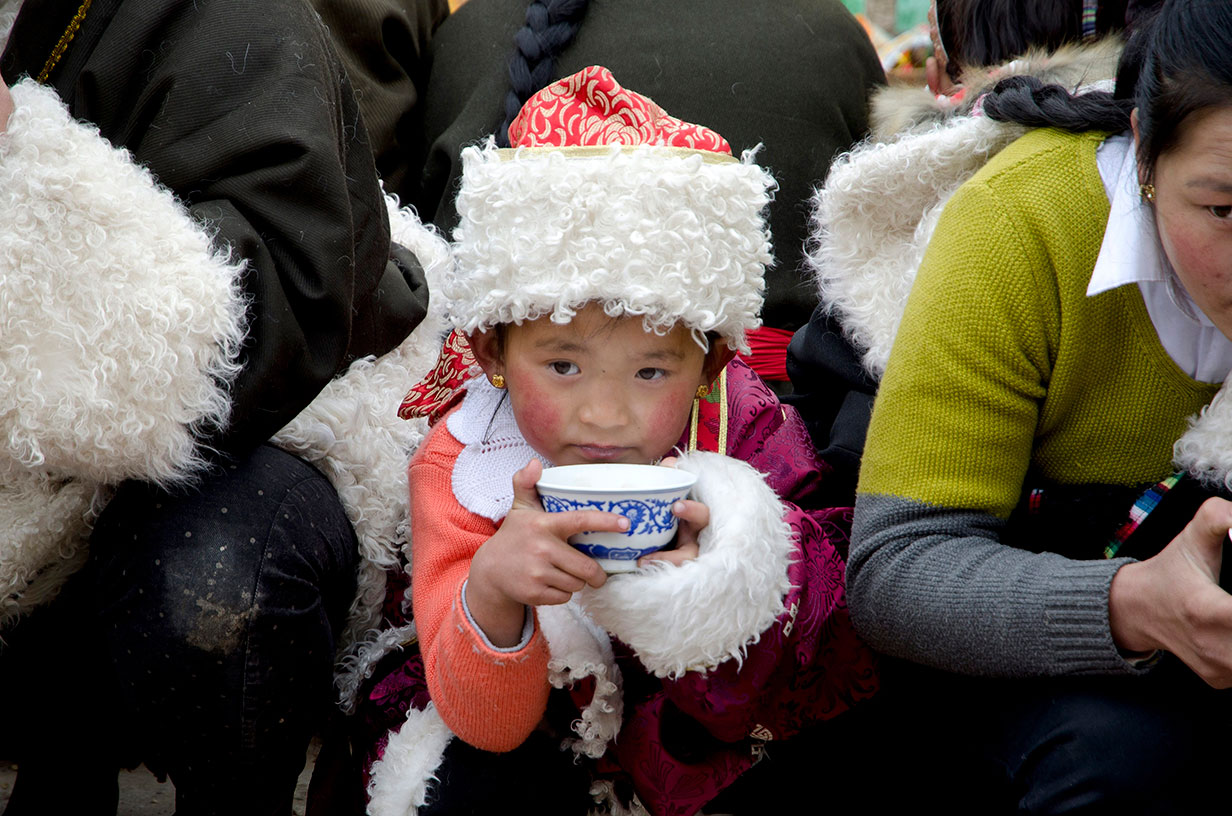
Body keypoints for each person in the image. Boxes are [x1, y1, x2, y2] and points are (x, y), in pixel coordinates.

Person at [354, 67, 878, 816]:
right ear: (493, 351)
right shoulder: (466, 462)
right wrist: (494, 592)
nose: (603, 415)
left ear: (711, 365)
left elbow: (828, 642)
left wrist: (725, 582)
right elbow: (490, 728)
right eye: (563, 366)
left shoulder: (745, 429)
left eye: (650, 371)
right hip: (533, 744)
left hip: (698, 745)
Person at [0, 1, 443, 814]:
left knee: (220, 572)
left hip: (259, 414)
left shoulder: (239, 23)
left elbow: (265, 318)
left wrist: (23, 153)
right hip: (46, 447)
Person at [846, 0, 1232, 810]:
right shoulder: (1021, 224)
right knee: (1119, 759)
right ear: (1146, 151)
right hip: (1040, 666)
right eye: (1223, 212)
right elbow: (898, 568)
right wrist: (1133, 603)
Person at [404, 0, 886, 388]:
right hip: (798, 418)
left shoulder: (472, 29)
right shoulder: (830, 32)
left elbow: (419, 249)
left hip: (515, 410)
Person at [786, 0, 1134, 501]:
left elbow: (843, 431)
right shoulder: (1156, 171)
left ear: (948, 73)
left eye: (937, 46)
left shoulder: (913, 206)